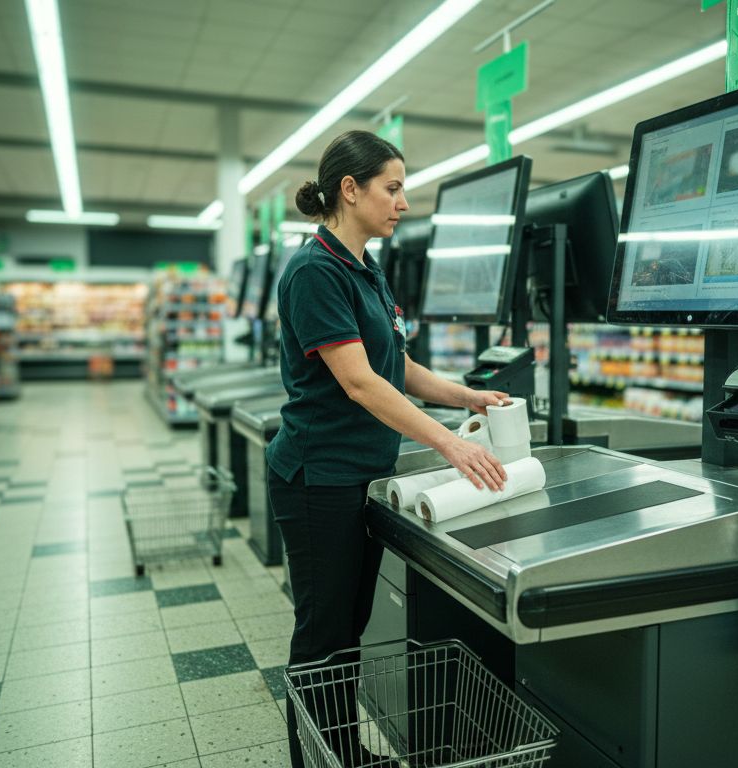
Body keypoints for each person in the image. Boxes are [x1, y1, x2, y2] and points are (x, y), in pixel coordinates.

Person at [267, 130, 508, 768]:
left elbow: (395, 364)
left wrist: (468, 398)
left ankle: (341, 754)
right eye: (393, 189)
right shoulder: (315, 271)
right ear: (350, 189)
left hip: (359, 477)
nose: (403, 203)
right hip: (318, 479)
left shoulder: (366, 267)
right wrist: (450, 446)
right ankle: (318, 761)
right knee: (322, 638)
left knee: (346, 636)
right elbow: (358, 381)